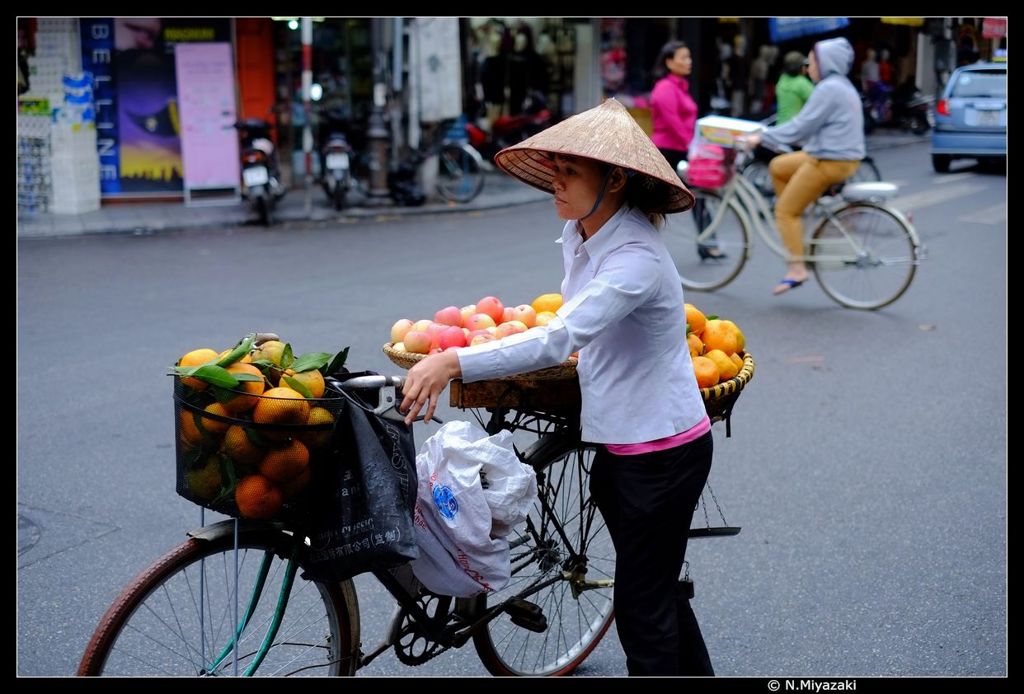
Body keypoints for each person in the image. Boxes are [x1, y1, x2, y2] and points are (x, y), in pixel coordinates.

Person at [400, 98, 716, 677]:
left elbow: (562, 333)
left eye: (570, 171)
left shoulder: (636, 259)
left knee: (642, 609)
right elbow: (570, 328)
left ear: (615, 179)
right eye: (554, 168)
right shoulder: (581, 232)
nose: (555, 182)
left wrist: (452, 362)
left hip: (663, 455)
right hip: (619, 449)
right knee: (656, 588)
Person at [746, 37, 864, 296]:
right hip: (831, 156)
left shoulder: (829, 89)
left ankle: (797, 268)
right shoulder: (840, 85)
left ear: (825, 63)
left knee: (784, 211)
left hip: (830, 161)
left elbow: (801, 127)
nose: (807, 68)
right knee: (778, 166)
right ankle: (797, 219)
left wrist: (762, 137)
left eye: (811, 63)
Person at [649, 40, 698, 171]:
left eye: (689, 57)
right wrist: (690, 144)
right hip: (666, 152)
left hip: (680, 150)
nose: (689, 61)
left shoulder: (681, 88)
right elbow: (673, 122)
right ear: (669, 62)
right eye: (684, 58)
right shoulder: (665, 88)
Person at [776, 51, 814, 125]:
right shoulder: (801, 82)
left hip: (780, 127)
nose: (806, 68)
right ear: (798, 67)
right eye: (804, 65)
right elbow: (819, 100)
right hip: (795, 129)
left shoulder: (782, 79)